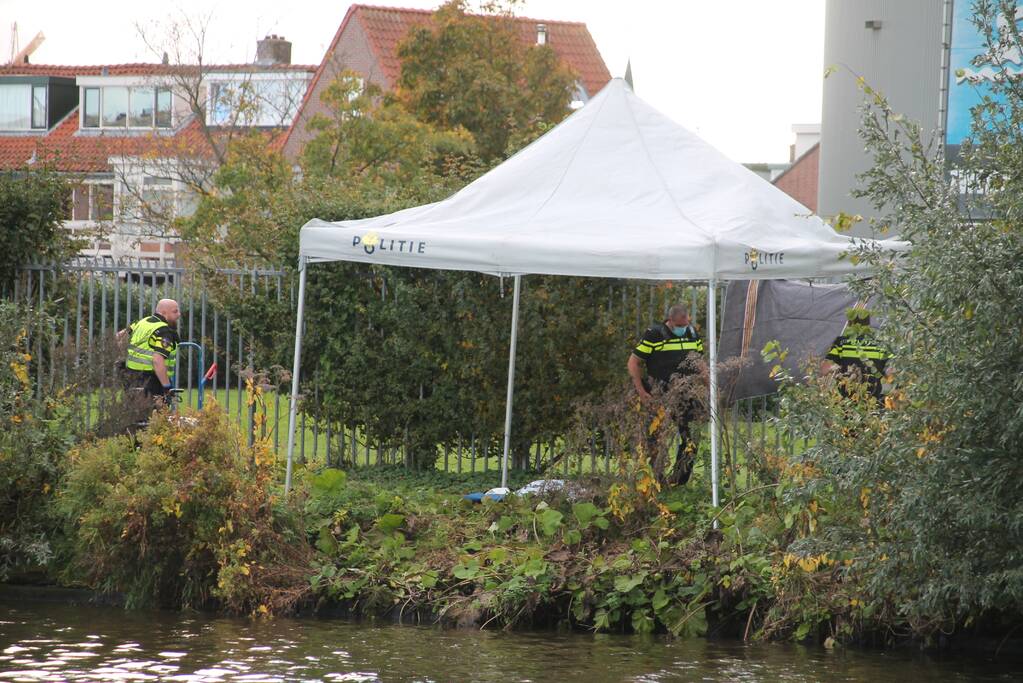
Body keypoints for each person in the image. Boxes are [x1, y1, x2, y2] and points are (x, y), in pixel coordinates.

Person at [627, 303, 705, 485]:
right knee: (656, 438)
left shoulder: (692, 334)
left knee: (691, 438)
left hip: (687, 394)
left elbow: (700, 363)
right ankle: (656, 480)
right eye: (678, 326)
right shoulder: (654, 335)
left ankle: (678, 481)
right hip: (659, 393)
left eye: (685, 325)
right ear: (670, 321)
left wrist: (708, 386)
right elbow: (633, 362)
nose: (682, 329)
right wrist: (641, 391)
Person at [823, 308, 891, 407]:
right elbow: (892, 371)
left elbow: (824, 370)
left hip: (846, 402)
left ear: (850, 322)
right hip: (873, 401)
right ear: (868, 322)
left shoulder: (841, 343)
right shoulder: (880, 343)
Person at [118, 299, 181, 400]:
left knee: (134, 413)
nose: (179, 314)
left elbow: (119, 336)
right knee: (154, 415)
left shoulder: (142, 322)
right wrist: (167, 387)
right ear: (164, 312)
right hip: (152, 382)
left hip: (131, 378)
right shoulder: (164, 331)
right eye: (175, 311)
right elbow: (157, 360)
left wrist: (122, 356)